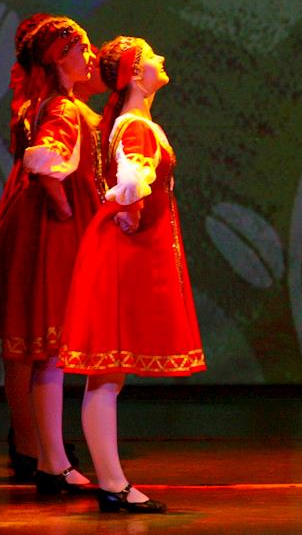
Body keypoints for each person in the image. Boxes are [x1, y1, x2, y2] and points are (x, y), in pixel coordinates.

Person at [60, 36, 206, 514]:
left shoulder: (133, 122)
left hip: (125, 253)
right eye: (150, 57)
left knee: (109, 375)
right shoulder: (137, 126)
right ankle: (112, 483)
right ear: (137, 75)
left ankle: (112, 481)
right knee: (106, 375)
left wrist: (132, 205)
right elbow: (131, 180)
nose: (161, 59)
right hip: (123, 257)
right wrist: (131, 205)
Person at [0, 16, 102, 493]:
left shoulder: (46, 99)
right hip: (44, 225)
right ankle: (37, 449)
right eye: (80, 48)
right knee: (40, 344)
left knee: (37, 347)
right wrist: (65, 209)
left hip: (29, 217)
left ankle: (42, 451)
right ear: (57, 57)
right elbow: (46, 162)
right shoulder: (58, 105)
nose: (89, 55)